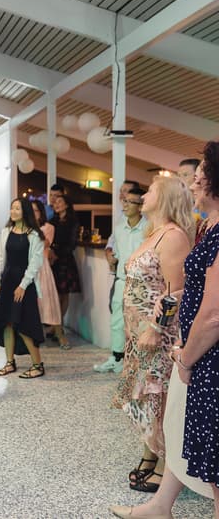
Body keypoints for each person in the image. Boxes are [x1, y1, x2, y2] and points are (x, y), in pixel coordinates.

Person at [108, 147, 218, 519]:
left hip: (190, 346)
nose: (193, 183)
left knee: (176, 419)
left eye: (197, 176)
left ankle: (161, 494)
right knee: (173, 418)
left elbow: (200, 301)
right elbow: (189, 289)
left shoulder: (178, 235)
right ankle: (159, 504)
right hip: (179, 342)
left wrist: (166, 333)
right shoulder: (202, 228)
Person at [111, 177, 193, 493]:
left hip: (157, 336)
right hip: (138, 334)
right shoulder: (153, 233)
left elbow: (177, 291)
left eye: (151, 191)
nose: (143, 195)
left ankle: (164, 464)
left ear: (166, 199)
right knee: (145, 397)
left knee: (158, 396)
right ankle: (150, 452)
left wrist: (155, 328)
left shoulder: (173, 237)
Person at [0, 198, 46, 379]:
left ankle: (38, 364)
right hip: (7, 281)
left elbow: (35, 263)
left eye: (17, 208)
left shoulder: (34, 235)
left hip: (24, 284)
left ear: (25, 211)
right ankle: (9, 362)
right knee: (8, 323)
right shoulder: (6, 232)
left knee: (24, 324)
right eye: (12, 208)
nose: (13, 211)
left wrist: (22, 285)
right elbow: (1, 259)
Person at [95, 187, 149, 373]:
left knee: (139, 323)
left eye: (130, 202)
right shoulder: (119, 229)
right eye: (124, 201)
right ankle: (116, 358)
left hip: (142, 284)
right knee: (117, 321)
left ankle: (135, 361)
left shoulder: (148, 229)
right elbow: (115, 251)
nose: (124, 205)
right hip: (121, 280)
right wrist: (111, 257)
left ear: (141, 206)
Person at [31, 200, 68, 350]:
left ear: (41, 212)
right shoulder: (23, 228)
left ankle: (60, 335)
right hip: (28, 270)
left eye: (36, 211)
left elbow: (43, 243)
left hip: (43, 269)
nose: (33, 214)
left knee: (49, 304)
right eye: (30, 210)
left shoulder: (48, 228)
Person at [49, 194, 81, 322]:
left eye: (59, 202)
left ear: (67, 205)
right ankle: (54, 324)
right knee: (54, 294)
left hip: (65, 260)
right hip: (51, 260)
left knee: (64, 293)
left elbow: (72, 243)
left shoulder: (73, 221)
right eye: (55, 202)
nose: (56, 204)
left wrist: (58, 253)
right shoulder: (52, 221)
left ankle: (58, 325)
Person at [105, 180, 141, 269]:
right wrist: (108, 253)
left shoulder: (146, 222)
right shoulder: (121, 217)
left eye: (125, 191)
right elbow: (112, 241)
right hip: (120, 274)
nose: (121, 194)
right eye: (120, 191)